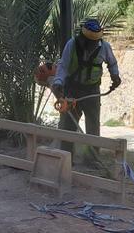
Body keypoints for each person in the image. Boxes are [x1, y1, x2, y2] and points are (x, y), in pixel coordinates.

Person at [51, 18, 121, 154]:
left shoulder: (104, 47)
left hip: (92, 91)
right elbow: (63, 65)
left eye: (93, 42)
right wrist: (58, 82)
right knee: (68, 126)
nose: (91, 45)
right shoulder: (72, 45)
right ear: (82, 37)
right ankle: (66, 156)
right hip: (72, 90)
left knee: (93, 126)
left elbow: (112, 63)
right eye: (88, 42)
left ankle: (92, 158)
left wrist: (115, 76)